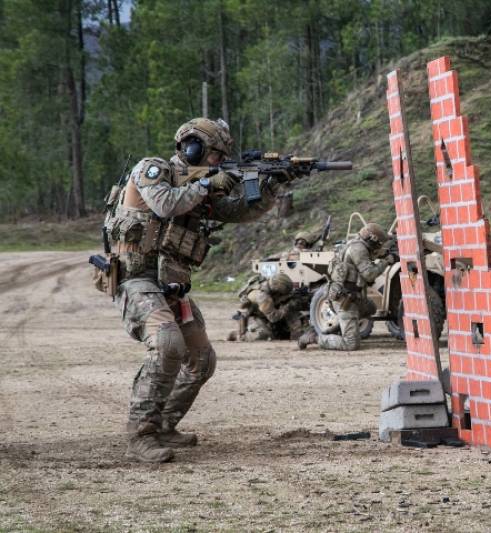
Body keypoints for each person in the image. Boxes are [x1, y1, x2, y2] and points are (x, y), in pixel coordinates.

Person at [107, 117, 275, 463]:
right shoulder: (152, 170)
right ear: (192, 146)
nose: (217, 162)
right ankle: (142, 433)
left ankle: (166, 424)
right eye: (213, 154)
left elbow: (237, 212)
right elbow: (166, 204)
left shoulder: (200, 185)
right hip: (136, 278)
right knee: (168, 343)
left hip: (170, 283)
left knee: (201, 359)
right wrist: (208, 184)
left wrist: (270, 190)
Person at [297, 222, 394, 351]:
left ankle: (336, 329)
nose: (380, 245)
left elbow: (372, 255)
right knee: (351, 344)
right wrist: (387, 261)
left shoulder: (357, 245)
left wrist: (385, 253)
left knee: (370, 307)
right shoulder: (358, 249)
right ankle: (315, 338)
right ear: (372, 240)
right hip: (345, 300)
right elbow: (369, 274)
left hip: (353, 297)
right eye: (379, 242)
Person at [229, 272, 309, 341]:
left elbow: (281, 297)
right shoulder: (263, 296)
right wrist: (289, 305)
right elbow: (274, 317)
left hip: (264, 311)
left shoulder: (270, 284)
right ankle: (236, 335)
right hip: (254, 315)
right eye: (285, 290)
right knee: (266, 336)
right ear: (278, 288)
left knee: (281, 334)